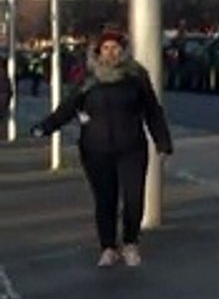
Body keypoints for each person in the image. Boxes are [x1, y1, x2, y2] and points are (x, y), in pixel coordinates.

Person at [30, 29, 174, 268]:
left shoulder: (136, 76)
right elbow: (68, 107)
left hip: (131, 147)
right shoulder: (88, 78)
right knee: (105, 199)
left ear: (123, 51)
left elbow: (152, 110)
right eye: (105, 48)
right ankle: (108, 247)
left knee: (134, 198)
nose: (111, 52)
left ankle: (130, 243)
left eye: (115, 48)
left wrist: (163, 142)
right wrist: (45, 127)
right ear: (98, 52)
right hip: (96, 149)